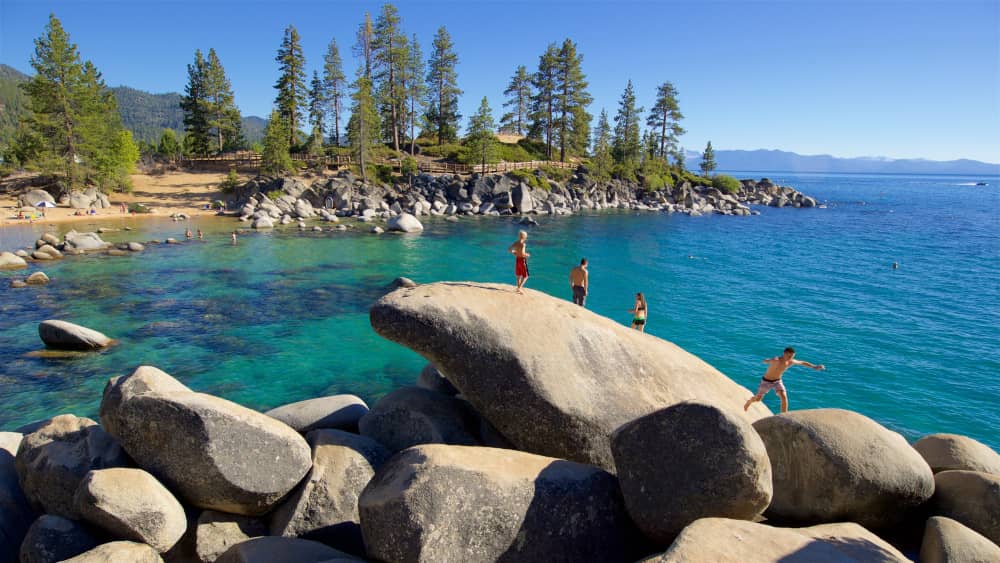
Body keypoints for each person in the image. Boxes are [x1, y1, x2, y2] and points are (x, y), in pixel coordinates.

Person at [744, 347, 825, 413]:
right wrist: (768, 360)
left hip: (777, 381)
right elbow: (765, 361)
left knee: (783, 397)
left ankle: (784, 415)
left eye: (792, 356)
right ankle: (749, 401)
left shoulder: (790, 362)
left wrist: (814, 366)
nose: (791, 358)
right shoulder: (776, 360)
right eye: (789, 356)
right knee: (758, 399)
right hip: (766, 381)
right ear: (784, 353)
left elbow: (802, 362)